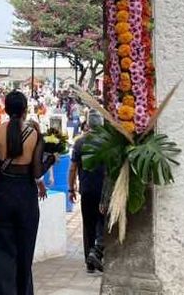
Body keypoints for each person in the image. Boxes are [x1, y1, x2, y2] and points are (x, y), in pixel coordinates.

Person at [0, 91, 57, 295]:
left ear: (6, 109)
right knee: (25, 253)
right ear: (25, 110)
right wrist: (51, 160)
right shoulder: (34, 135)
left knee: (3, 253)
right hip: (26, 195)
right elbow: (36, 172)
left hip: (2, 193)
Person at [68, 112, 106, 273]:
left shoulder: (80, 142)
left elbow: (73, 168)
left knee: (88, 224)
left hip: (87, 189)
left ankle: (89, 260)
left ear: (88, 124)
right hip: (104, 191)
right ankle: (98, 252)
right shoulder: (108, 142)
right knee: (104, 223)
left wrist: (71, 188)